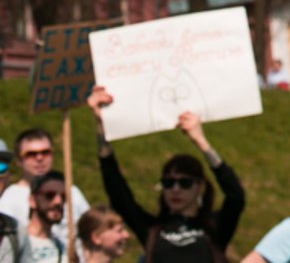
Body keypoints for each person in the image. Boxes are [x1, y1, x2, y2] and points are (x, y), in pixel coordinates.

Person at [88, 85, 245, 262]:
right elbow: (119, 195)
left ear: (199, 186)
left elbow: (236, 196)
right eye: (168, 183)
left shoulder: (213, 228)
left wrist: (201, 142)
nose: (175, 189)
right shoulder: (153, 230)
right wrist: (102, 126)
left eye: (184, 183)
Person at [0, 130, 90, 243]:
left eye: (45, 152)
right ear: (19, 160)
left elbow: (92, 230)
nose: (39, 158)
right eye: (31, 154)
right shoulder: (9, 198)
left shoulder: (72, 192)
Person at [24, 173, 66, 263]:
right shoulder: (16, 242)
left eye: (63, 196)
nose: (58, 202)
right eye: (50, 195)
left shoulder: (63, 248)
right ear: (32, 200)